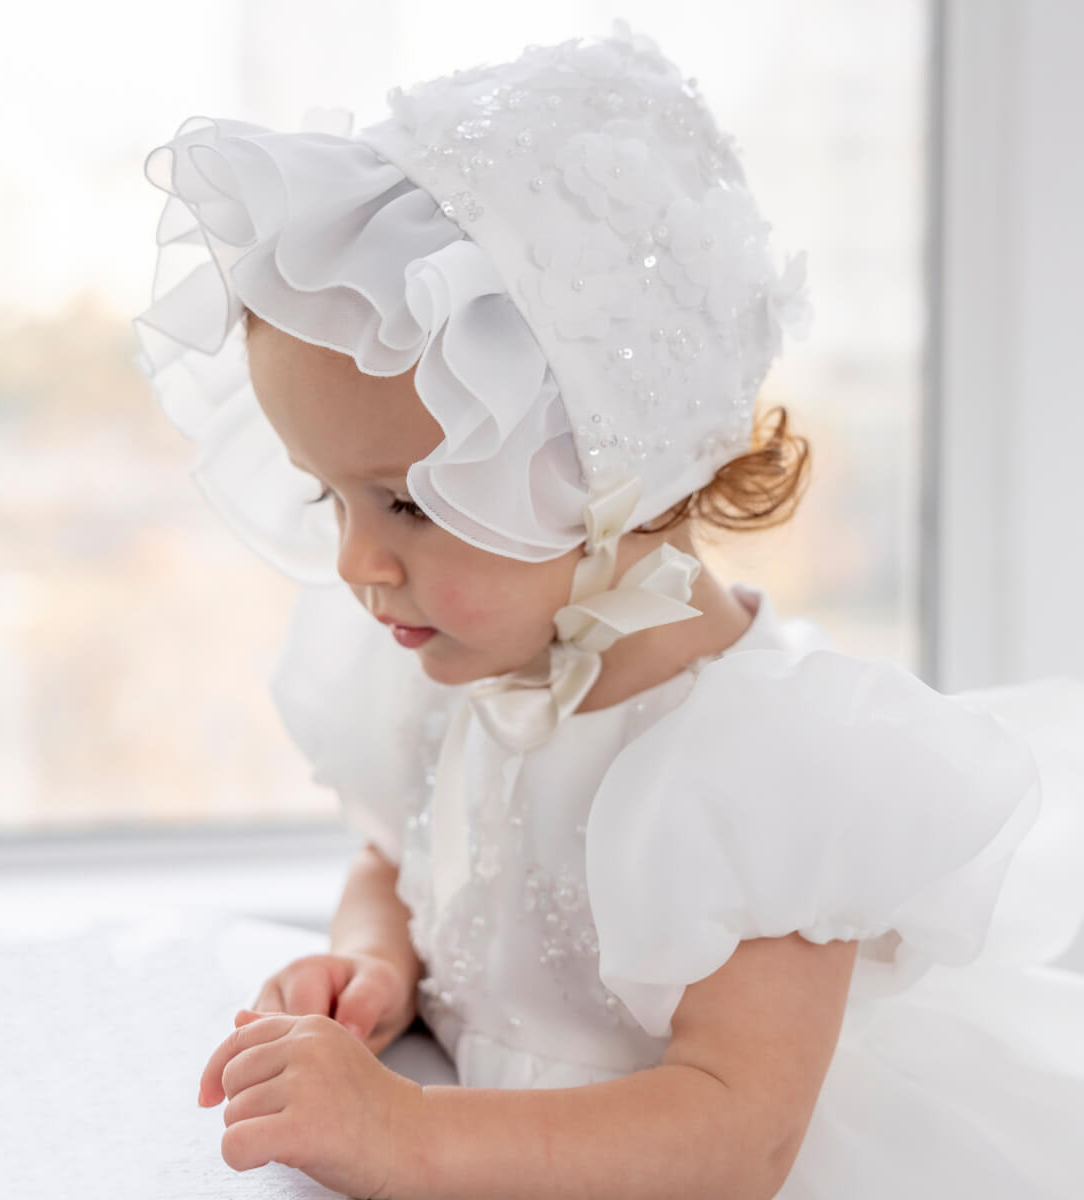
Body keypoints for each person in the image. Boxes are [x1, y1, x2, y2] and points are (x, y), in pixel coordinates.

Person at [132, 21, 1084, 1200]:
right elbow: (398, 866)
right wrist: (370, 966)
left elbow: (737, 1135)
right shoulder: (460, 667)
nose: (357, 563)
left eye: (410, 507)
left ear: (607, 474)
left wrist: (405, 1137)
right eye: (331, 498)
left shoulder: (758, 775)